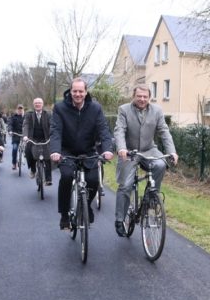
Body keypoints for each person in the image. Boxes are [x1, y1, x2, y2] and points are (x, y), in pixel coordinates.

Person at [113, 84, 178, 237]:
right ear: (134, 97)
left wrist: (172, 152)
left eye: (145, 97)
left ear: (149, 97)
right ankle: (119, 219)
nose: (142, 99)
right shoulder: (124, 110)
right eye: (139, 96)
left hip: (149, 149)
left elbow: (164, 132)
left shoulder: (157, 111)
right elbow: (119, 130)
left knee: (161, 164)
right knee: (125, 185)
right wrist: (121, 148)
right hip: (129, 151)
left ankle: (151, 198)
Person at [50, 77, 114, 229]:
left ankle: (86, 206)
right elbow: (56, 131)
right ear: (70, 91)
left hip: (87, 151)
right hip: (67, 151)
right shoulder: (60, 108)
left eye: (81, 91)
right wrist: (55, 151)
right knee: (66, 177)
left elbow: (103, 130)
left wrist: (107, 149)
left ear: (86, 92)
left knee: (93, 181)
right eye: (75, 91)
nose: (77, 94)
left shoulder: (95, 108)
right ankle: (65, 215)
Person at [22, 97, 52, 185]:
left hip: (45, 138)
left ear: (42, 104)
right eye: (36, 103)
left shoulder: (48, 114)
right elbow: (26, 125)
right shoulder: (29, 114)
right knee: (28, 151)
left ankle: (48, 179)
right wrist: (25, 136)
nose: (37, 104)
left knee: (48, 156)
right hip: (32, 138)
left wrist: (53, 135)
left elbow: (52, 125)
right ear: (33, 105)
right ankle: (33, 169)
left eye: (39, 103)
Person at [9, 105, 24, 170]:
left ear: (23, 110)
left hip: (24, 135)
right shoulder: (13, 117)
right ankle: (14, 163)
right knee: (15, 149)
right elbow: (10, 124)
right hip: (16, 135)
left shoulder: (25, 117)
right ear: (17, 110)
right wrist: (10, 131)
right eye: (19, 109)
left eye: (21, 109)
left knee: (29, 149)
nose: (20, 110)